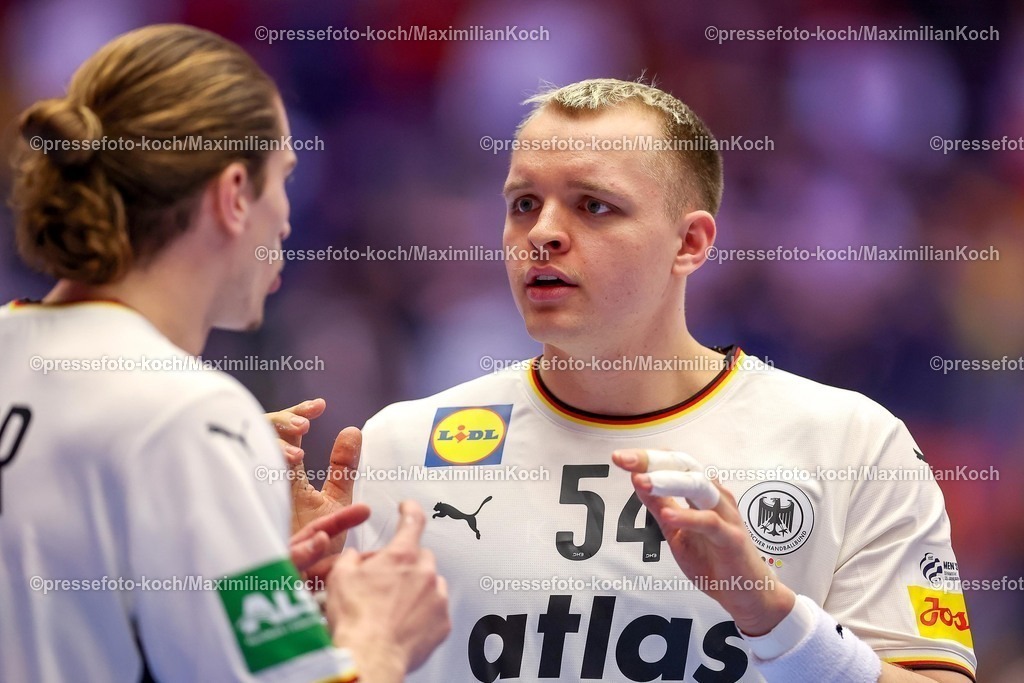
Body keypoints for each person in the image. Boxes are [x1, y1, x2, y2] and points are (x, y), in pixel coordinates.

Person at [316, 79, 974, 682]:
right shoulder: (401, 444)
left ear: (690, 243)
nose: (541, 233)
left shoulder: (853, 444)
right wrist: (287, 598)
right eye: (523, 203)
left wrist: (772, 615)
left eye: (593, 206)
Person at [0, 24, 448, 683]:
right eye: (285, 179)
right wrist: (380, 639)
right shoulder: (188, 416)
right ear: (234, 193)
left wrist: (241, 541)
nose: (288, 219)